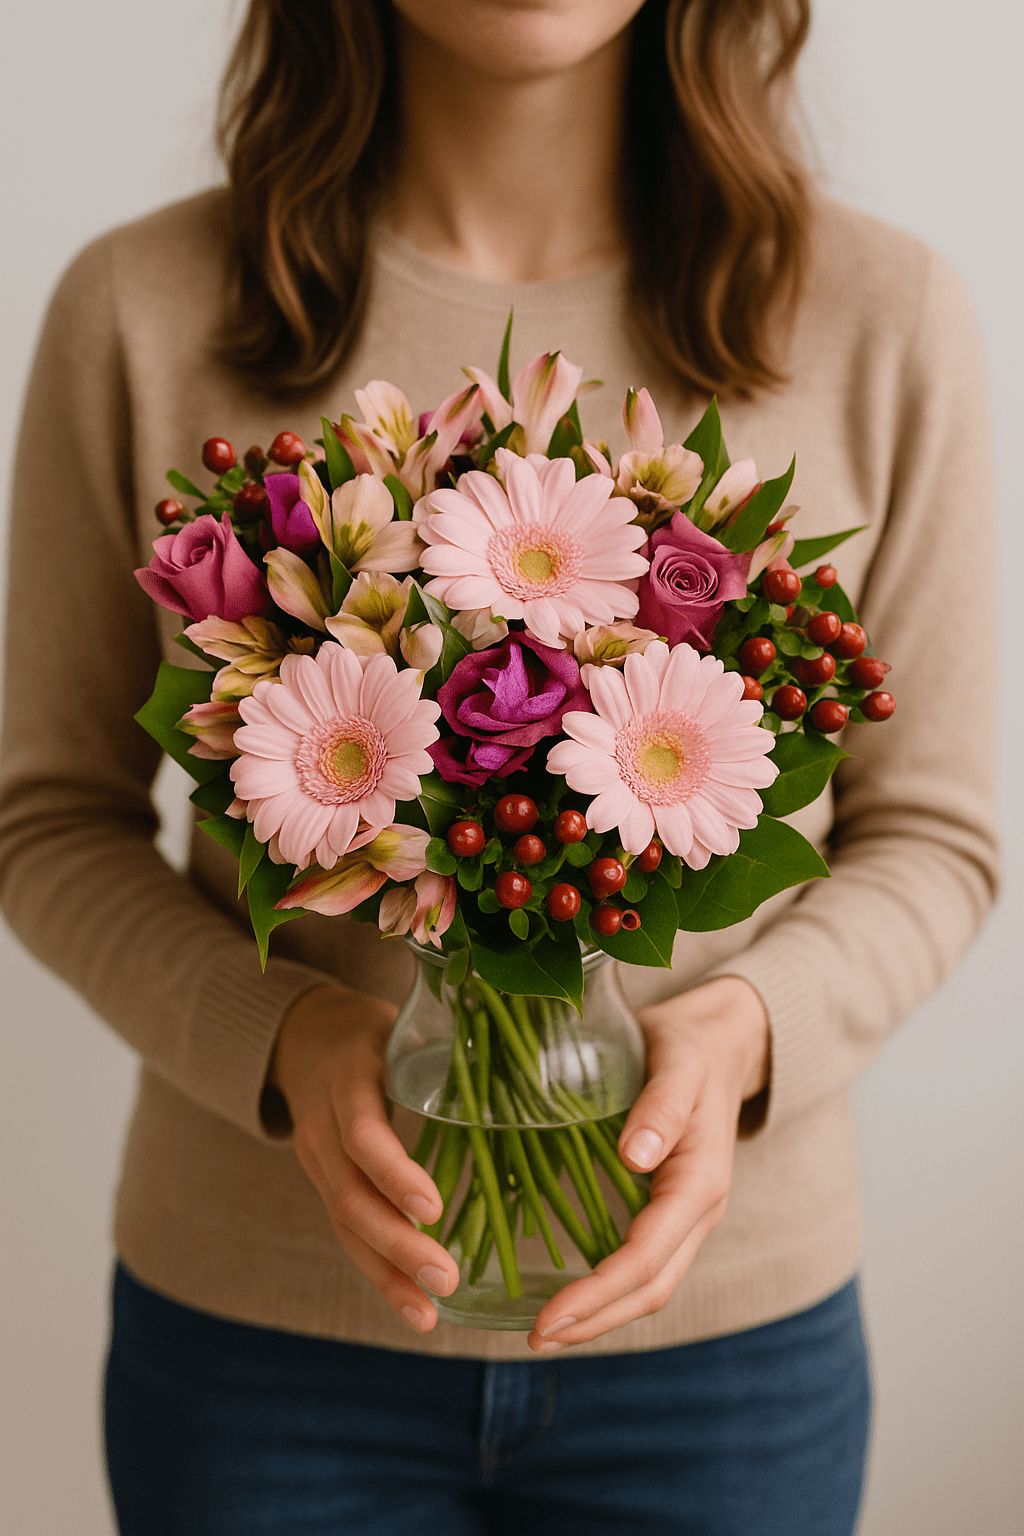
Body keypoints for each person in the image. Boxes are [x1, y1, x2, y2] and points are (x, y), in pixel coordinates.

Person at [0, 1, 1000, 1532]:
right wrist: (287, 1041)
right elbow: (46, 817)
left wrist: (746, 1032)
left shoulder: (881, 312)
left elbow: (937, 831)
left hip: (727, 1362)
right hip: (263, 1356)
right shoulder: (139, 305)